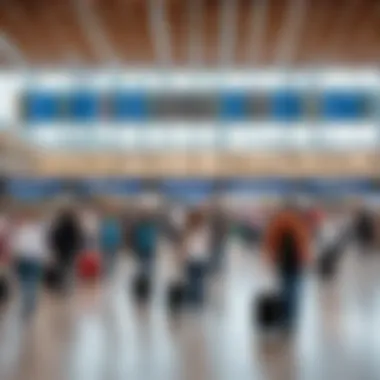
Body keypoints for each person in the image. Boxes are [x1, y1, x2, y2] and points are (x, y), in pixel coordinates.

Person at [263, 200, 311, 332]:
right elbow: (304, 244)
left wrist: (270, 259)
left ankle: (286, 317)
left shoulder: (278, 223)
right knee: (294, 290)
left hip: (284, 262)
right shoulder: (298, 224)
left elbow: (270, 243)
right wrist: (306, 259)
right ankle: (291, 317)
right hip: (295, 263)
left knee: (285, 289)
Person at [12, 206, 49, 316]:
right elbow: (43, 246)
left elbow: (16, 246)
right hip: (33, 259)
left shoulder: (21, 229)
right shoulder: (39, 229)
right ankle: (31, 305)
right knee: (32, 282)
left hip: (24, 258)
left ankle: (26, 303)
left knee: (24, 283)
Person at [49, 206, 84, 292]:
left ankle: (61, 284)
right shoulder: (74, 226)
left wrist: (55, 248)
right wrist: (77, 249)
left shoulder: (59, 226)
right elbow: (78, 239)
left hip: (61, 250)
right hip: (70, 250)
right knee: (69, 268)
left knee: (61, 268)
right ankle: (68, 285)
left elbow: (54, 238)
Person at [183, 208, 211, 306]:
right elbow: (207, 244)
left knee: (193, 279)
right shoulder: (204, 230)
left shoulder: (190, 230)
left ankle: (194, 298)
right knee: (198, 280)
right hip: (200, 258)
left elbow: (186, 244)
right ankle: (198, 298)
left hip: (193, 258)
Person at [130, 198, 160, 277]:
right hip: (141, 247)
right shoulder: (139, 225)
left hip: (148, 247)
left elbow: (153, 236)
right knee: (142, 265)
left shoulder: (151, 225)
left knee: (147, 265)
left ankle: (146, 278)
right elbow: (135, 237)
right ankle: (143, 278)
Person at [99, 204, 122, 277]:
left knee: (111, 260)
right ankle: (106, 271)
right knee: (107, 259)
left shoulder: (114, 224)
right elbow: (102, 234)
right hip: (107, 244)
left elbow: (118, 235)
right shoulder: (105, 224)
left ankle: (109, 272)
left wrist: (118, 243)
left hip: (112, 245)